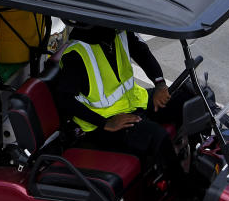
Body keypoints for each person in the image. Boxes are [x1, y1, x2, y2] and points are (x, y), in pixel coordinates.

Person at [55, 24, 184, 184]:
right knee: (157, 135)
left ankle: (195, 154)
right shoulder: (77, 54)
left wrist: (159, 83)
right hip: (102, 123)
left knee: (185, 99)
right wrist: (105, 123)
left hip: (133, 101)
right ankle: (185, 190)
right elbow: (64, 99)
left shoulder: (118, 31)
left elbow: (142, 52)